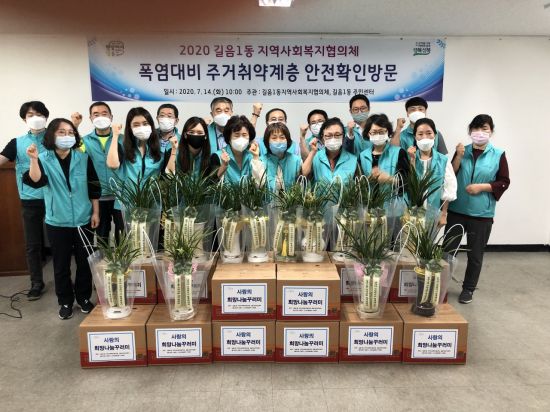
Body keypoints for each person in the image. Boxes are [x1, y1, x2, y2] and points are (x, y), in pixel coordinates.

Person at [23, 118, 100, 319]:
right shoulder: (43, 158)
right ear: (51, 135)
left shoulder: (83, 158)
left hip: (83, 219)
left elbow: (94, 187)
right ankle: (65, 301)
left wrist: (96, 212)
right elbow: (36, 181)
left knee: (85, 262)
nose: (67, 136)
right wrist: (33, 159)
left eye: (70, 132)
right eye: (61, 132)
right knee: (61, 264)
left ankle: (84, 298)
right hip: (57, 221)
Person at [444, 114, 510, 304]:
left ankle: (468, 289)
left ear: (491, 131)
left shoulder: (498, 154)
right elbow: (450, 175)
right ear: (470, 131)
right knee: (448, 251)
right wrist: (458, 156)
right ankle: (440, 286)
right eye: (476, 128)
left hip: (481, 214)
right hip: (457, 210)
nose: (480, 132)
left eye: (484, 129)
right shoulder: (462, 150)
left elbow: (504, 181)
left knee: (475, 254)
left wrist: (482, 187)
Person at [0, 101, 49, 300]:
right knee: (32, 244)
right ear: (24, 119)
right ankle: (36, 282)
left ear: (46, 116)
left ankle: (64, 279)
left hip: (55, 196)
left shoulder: (56, 138)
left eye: (39, 114)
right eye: (30, 115)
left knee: (61, 243)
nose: (35, 118)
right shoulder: (17, 142)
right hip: (30, 198)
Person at [80, 101, 124, 244]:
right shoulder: (84, 141)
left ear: (111, 117)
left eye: (104, 114)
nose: (100, 117)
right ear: (90, 118)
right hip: (98, 198)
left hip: (121, 196)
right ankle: (103, 259)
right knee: (101, 236)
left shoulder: (122, 139)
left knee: (123, 235)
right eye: (96, 114)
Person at [406, 118, 457, 226]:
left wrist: (444, 215)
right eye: (420, 134)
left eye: (429, 133)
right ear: (415, 136)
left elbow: (448, 188)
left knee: (429, 237)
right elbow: (409, 185)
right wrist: (412, 160)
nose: (425, 137)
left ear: (435, 135)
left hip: (433, 214)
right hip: (412, 214)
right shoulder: (410, 157)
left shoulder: (443, 160)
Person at [106, 107, 163, 186]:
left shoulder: (160, 149)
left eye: (145, 124)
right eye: (136, 125)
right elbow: (112, 165)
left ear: (151, 125)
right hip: (128, 194)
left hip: (151, 194)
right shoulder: (122, 145)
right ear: (130, 128)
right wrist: (115, 135)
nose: (141, 127)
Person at [251, 122, 315, 192]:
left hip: (292, 199)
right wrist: (255, 157)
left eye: (282, 137)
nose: (278, 141)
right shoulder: (261, 161)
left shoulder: (296, 160)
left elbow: (303, 179)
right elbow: (259, 186)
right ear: (267, 141)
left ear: (287, 140)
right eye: (274, 138)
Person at [359, 114, 409, 184]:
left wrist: (390, 180)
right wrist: (369, 178)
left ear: (388, 132)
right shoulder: (362, 156)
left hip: (393, 191)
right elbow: (359, 183)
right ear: (368, 134)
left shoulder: (399, 152)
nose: (378, 135)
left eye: (381, 132)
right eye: (374, 132)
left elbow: (407, 181)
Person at [310, 117, 358, 184]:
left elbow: (359, 186)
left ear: (343, 137)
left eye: (337, 135)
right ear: (323, 138)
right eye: (328, 135)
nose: (333, 138)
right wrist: (312, 153)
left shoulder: (353, 160)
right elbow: (304, 176)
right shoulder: (315, 157)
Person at [210, 115, 256, 183]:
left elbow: (260, 185)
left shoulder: (252, 156)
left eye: (244, 135)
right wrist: (223, 166)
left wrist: (256, 159)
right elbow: (210, 184)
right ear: (229, 138)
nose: (241, 139)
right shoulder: (217, 156)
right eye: (236, 135)